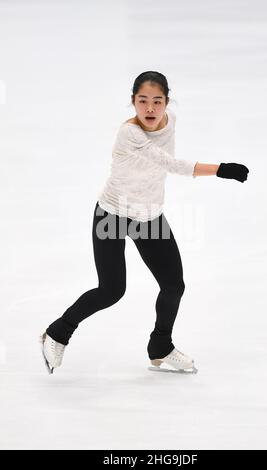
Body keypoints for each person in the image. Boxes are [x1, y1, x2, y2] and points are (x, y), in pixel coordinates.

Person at [40, 71, 249, 375]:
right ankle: (57, 333)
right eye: (142, 101)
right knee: (111, 290)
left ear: (167, 101)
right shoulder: (129, 134)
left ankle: (161, 346)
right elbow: (171, 164)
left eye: (157, 101)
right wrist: (220, 169)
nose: (150, 109)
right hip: (112, 214)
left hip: (148, 216)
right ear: (132, 102)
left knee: (173, 285)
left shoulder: (170, 120)